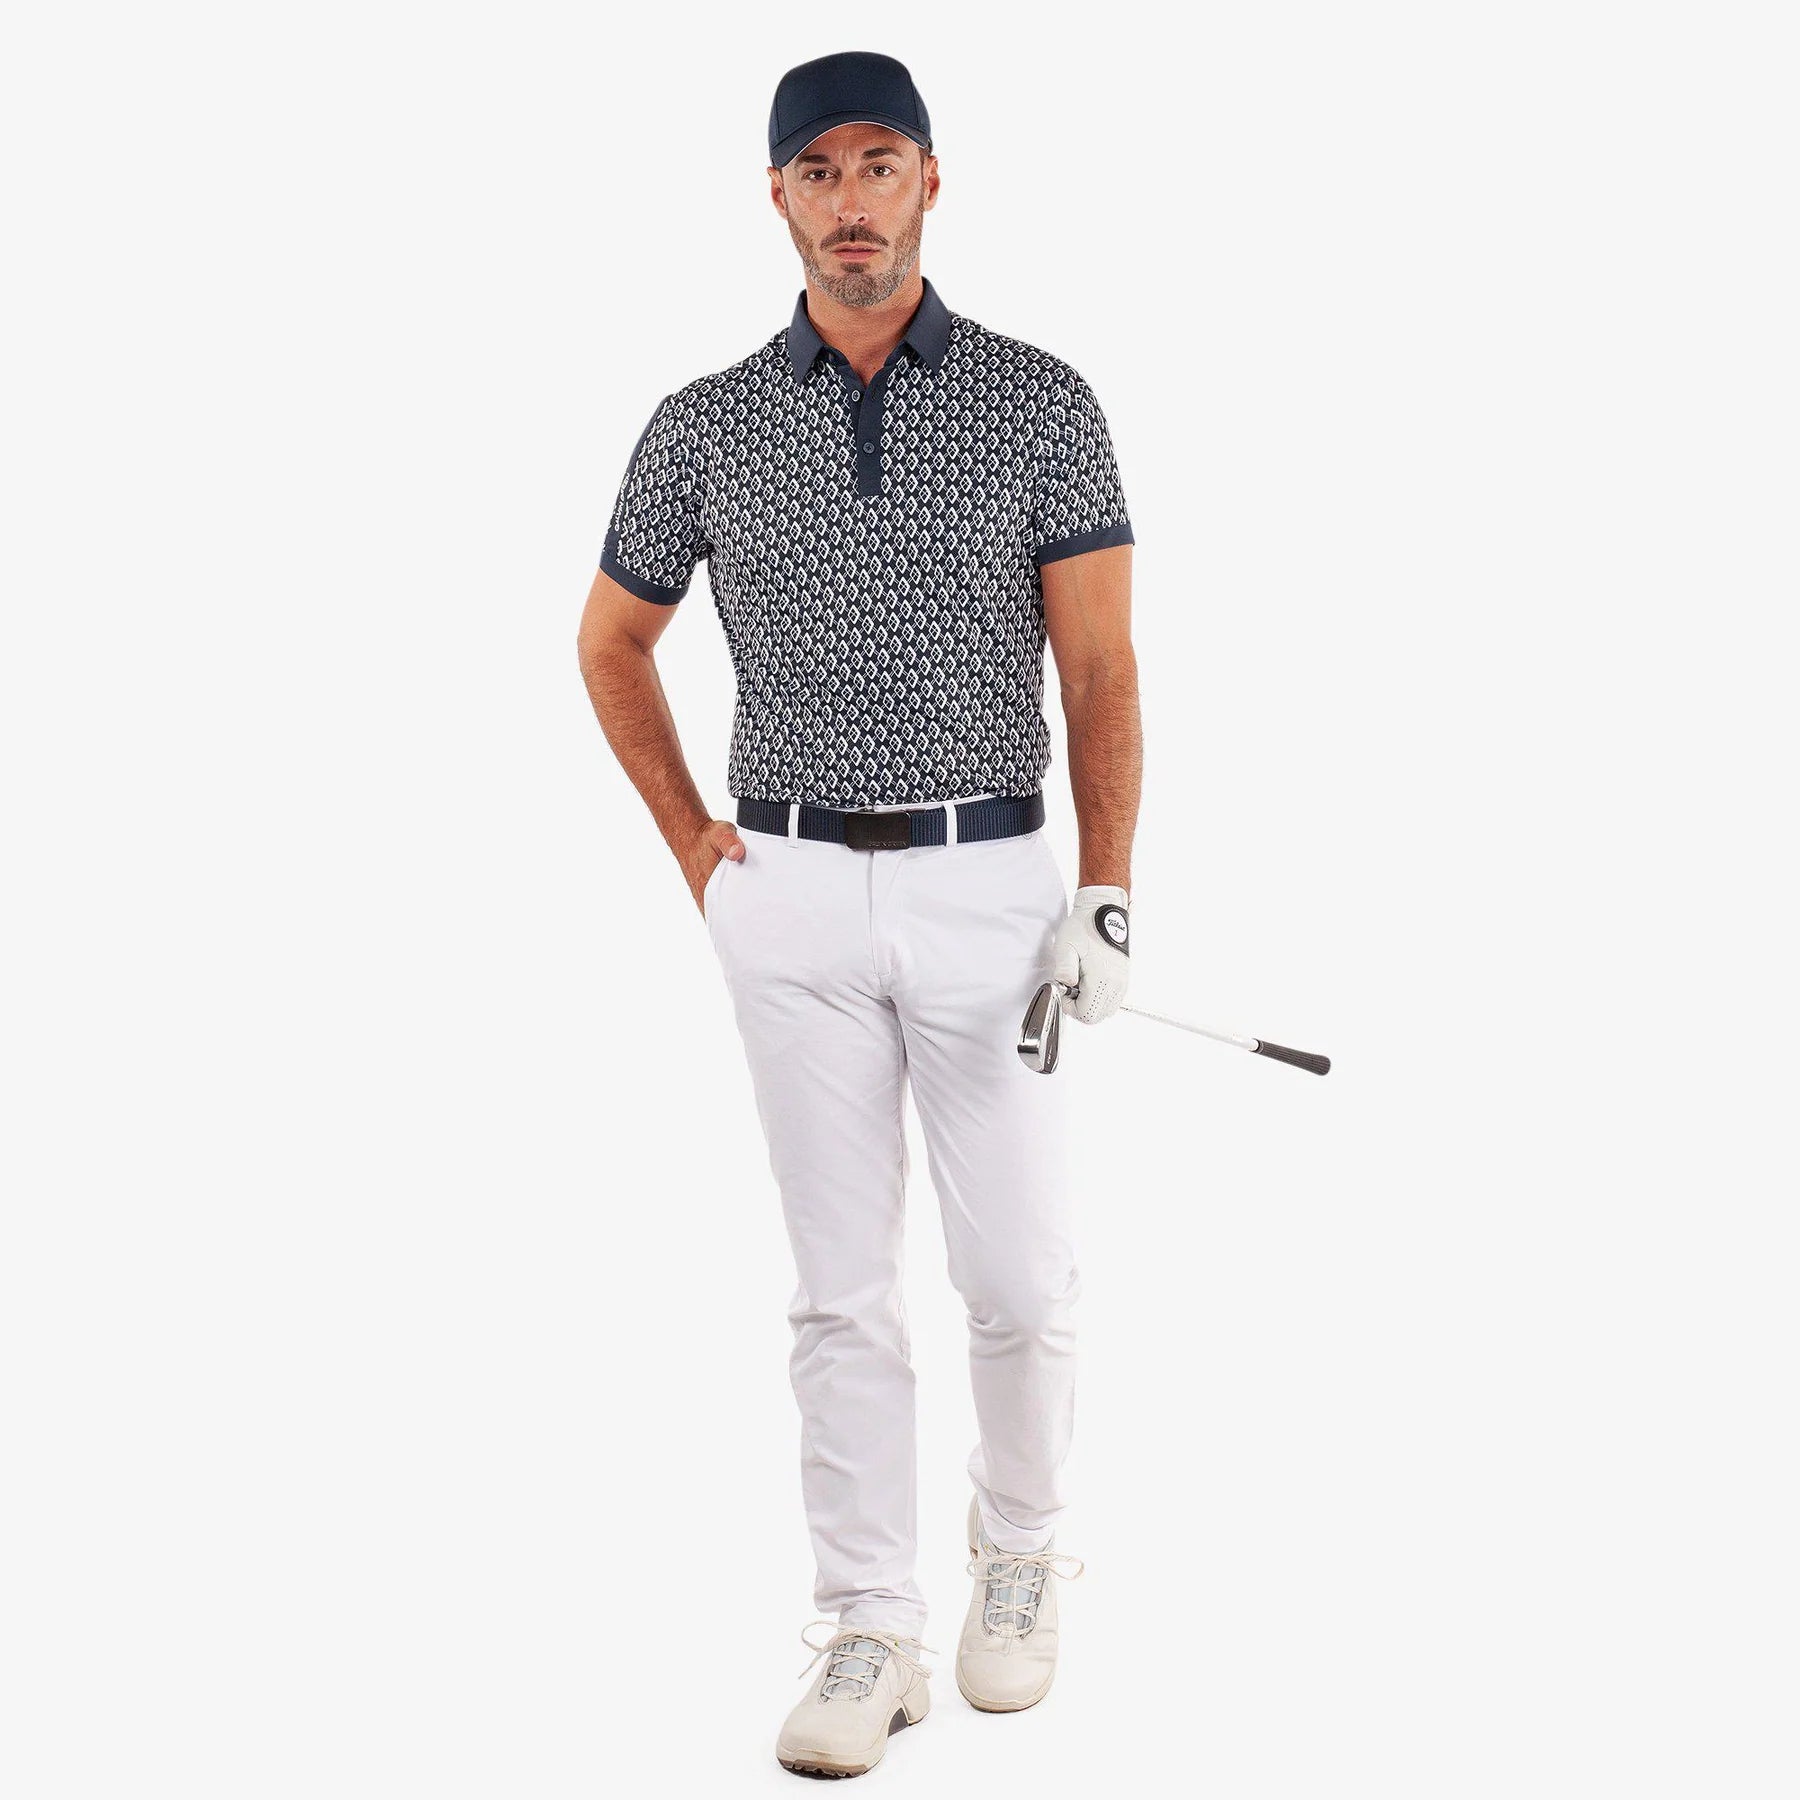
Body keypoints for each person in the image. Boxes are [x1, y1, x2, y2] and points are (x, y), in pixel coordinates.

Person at [576, 49, 1142, 1780]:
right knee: (840, 1292)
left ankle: (1020, 1550)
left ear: (930, 181)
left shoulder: (1041, 401)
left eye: (877, 162)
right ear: (776, 199)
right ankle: (871, 1624)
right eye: (815, 172)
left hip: (993, 888)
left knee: (1019, 1279)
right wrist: (694, 843)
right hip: (793, 893)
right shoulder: (704, 424)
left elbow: (1099, 665)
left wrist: (1106, 889)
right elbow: (611, 642)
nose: (849, 202)